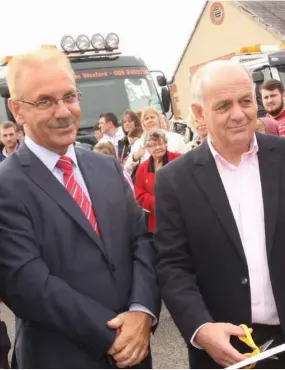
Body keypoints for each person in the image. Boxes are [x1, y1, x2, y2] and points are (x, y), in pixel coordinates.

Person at [154, 60, 285, 369]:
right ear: (198, 112)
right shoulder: (174, 181)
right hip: (224, 353)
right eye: (223, 106)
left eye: (246, 101)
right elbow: (173, 267)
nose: (238, 114)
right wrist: (201, 329)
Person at [0, 48, 161, 368]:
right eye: (45, 101)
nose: (63, 111)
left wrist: (142, 310)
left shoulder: (107, 168)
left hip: (135, 354)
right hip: (60, 359)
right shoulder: (7, 186)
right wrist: (116, 336)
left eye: (70, 96)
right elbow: (28, 284)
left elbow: (142, 242)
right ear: (16, 110)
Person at [134, 129, 181, 232]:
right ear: (147, 149)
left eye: (160, 143)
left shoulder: (179, 160)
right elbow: (139, 194)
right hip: (156, 219)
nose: (158, 147)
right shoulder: (143, 167)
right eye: (153, 145)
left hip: (179, 215)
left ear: (166, 144)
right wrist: (158, 203)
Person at [124, 107, 187, 175]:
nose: (150, 120)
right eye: (146, 119)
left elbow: (186, 161)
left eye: (152, 117)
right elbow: (126, 170)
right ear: (143, 123)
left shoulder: (175, 137)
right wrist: (134, 158)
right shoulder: (139, 144)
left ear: (159, 120)